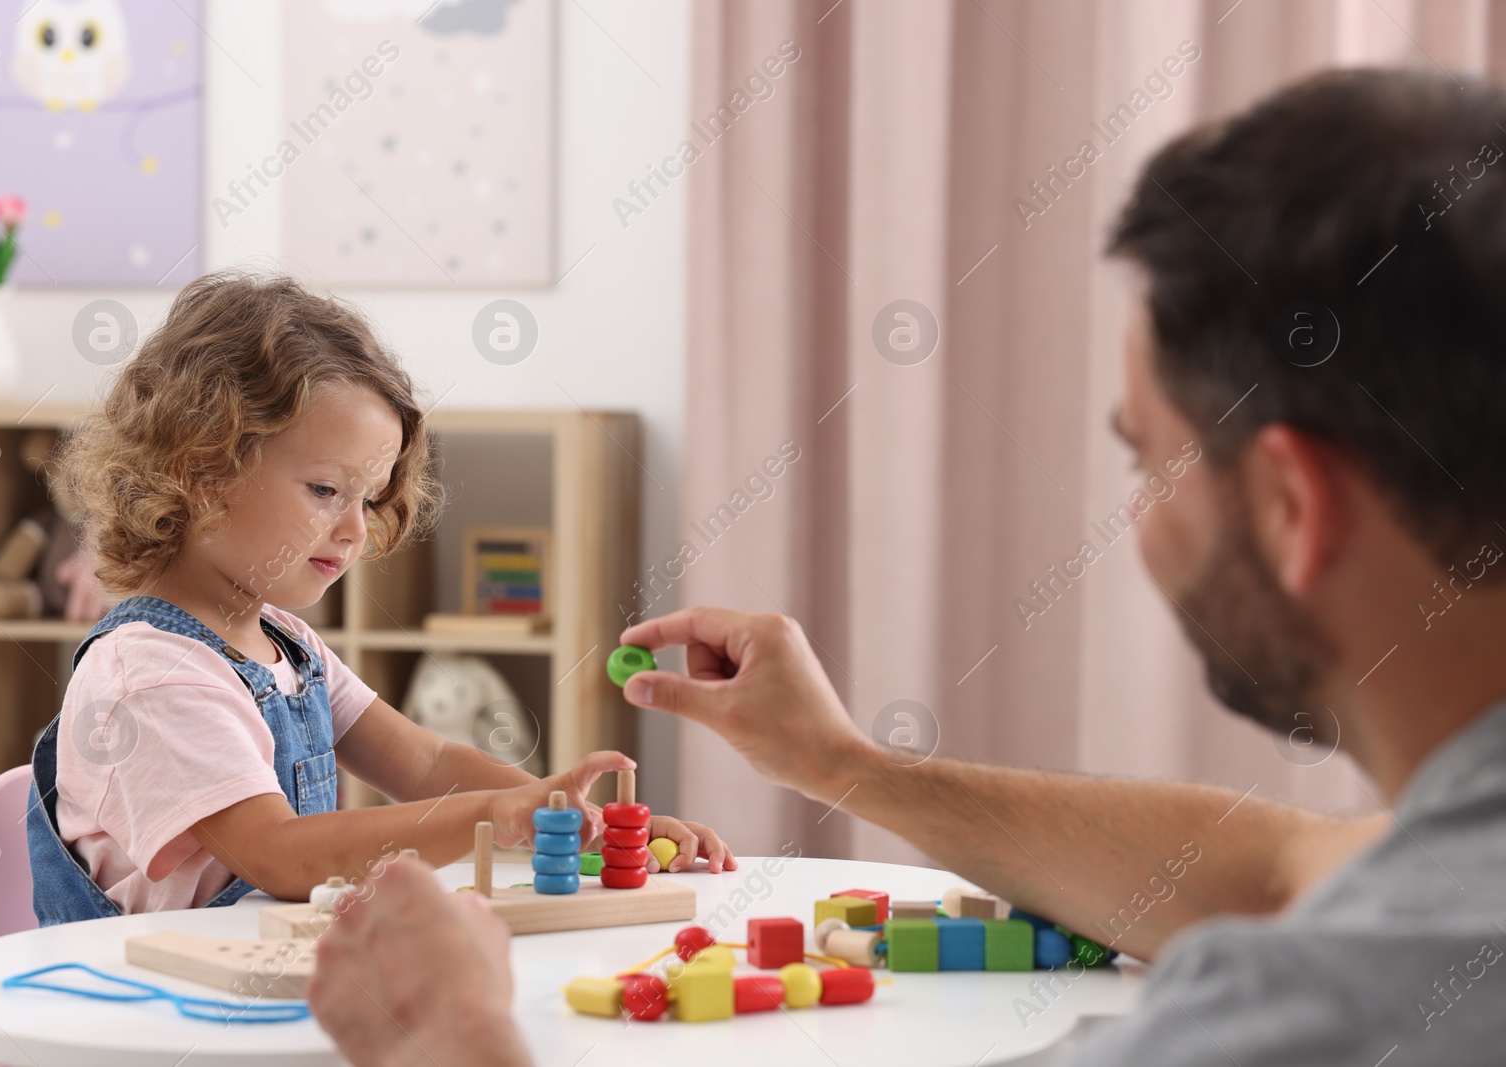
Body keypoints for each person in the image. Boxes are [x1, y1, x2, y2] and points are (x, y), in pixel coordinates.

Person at [310, 68, 1506, 1066]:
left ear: (1292, 505)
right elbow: (1278, 866)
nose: (1139, 523)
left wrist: (455, 1040)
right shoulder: (1443, 860)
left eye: (1149, 465)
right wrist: (837, 762)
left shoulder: (1342, 1004)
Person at [29, 271, 733, 925]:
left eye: (368, 497)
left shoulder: (288, 647)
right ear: (202, 470)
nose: (355, 528)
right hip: (155, 1019)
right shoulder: (150, 673)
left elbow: (425, 765)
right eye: (325, 490)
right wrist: (498, 810)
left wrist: (573, 815)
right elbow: (279, 851)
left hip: (260, 987)